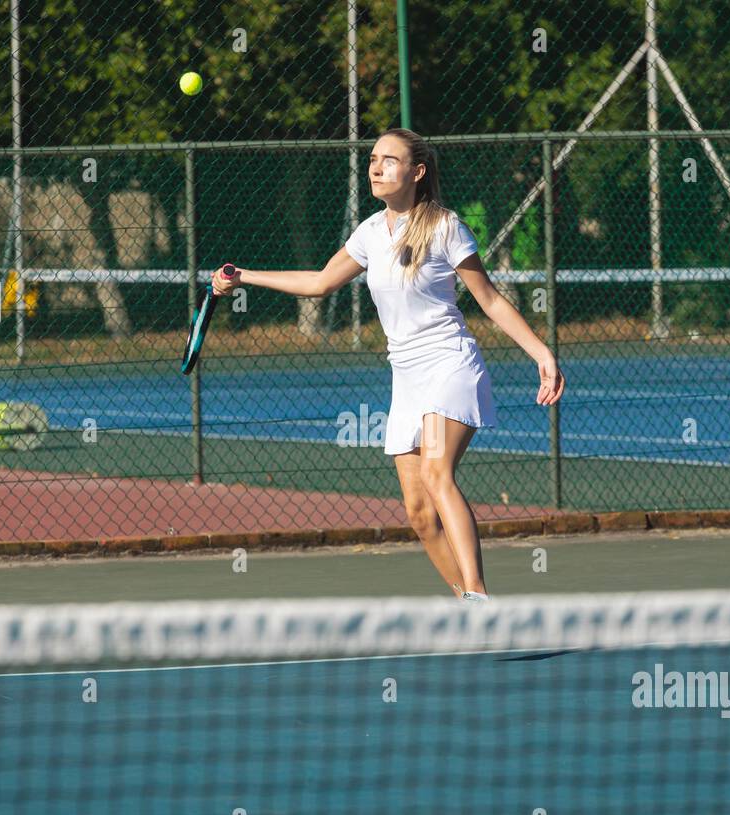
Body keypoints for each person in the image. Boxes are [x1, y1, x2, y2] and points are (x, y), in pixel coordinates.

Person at [212, 128, 565, 600]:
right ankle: (467, 605)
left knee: (438, 476)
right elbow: (319, 283)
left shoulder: (445, 227)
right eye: (374, 159)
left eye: (389, 160)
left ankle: (479, 596)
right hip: (407, 379)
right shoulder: (371, 233)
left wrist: (541, 353)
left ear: (417, 172)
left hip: (448, 366)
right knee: (419, 514)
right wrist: (244, 277)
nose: (376, 167)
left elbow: (489, 299)